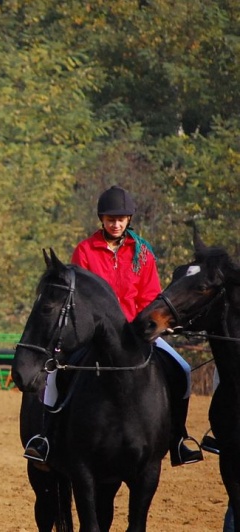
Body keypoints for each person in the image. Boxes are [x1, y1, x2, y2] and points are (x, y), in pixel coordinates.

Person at [23, 185, 203, 467]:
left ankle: (178, 439)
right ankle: (46, 437)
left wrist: (148, 324)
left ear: (129, 219)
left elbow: (150, 293)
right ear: (101, 219)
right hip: (94, 335)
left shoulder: (143, 253)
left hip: (137, 332)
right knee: (57, 374)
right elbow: (78, 296)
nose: (115, 224)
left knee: (181, 369)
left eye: (120, 219)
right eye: (109, 219)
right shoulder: (85, 250)